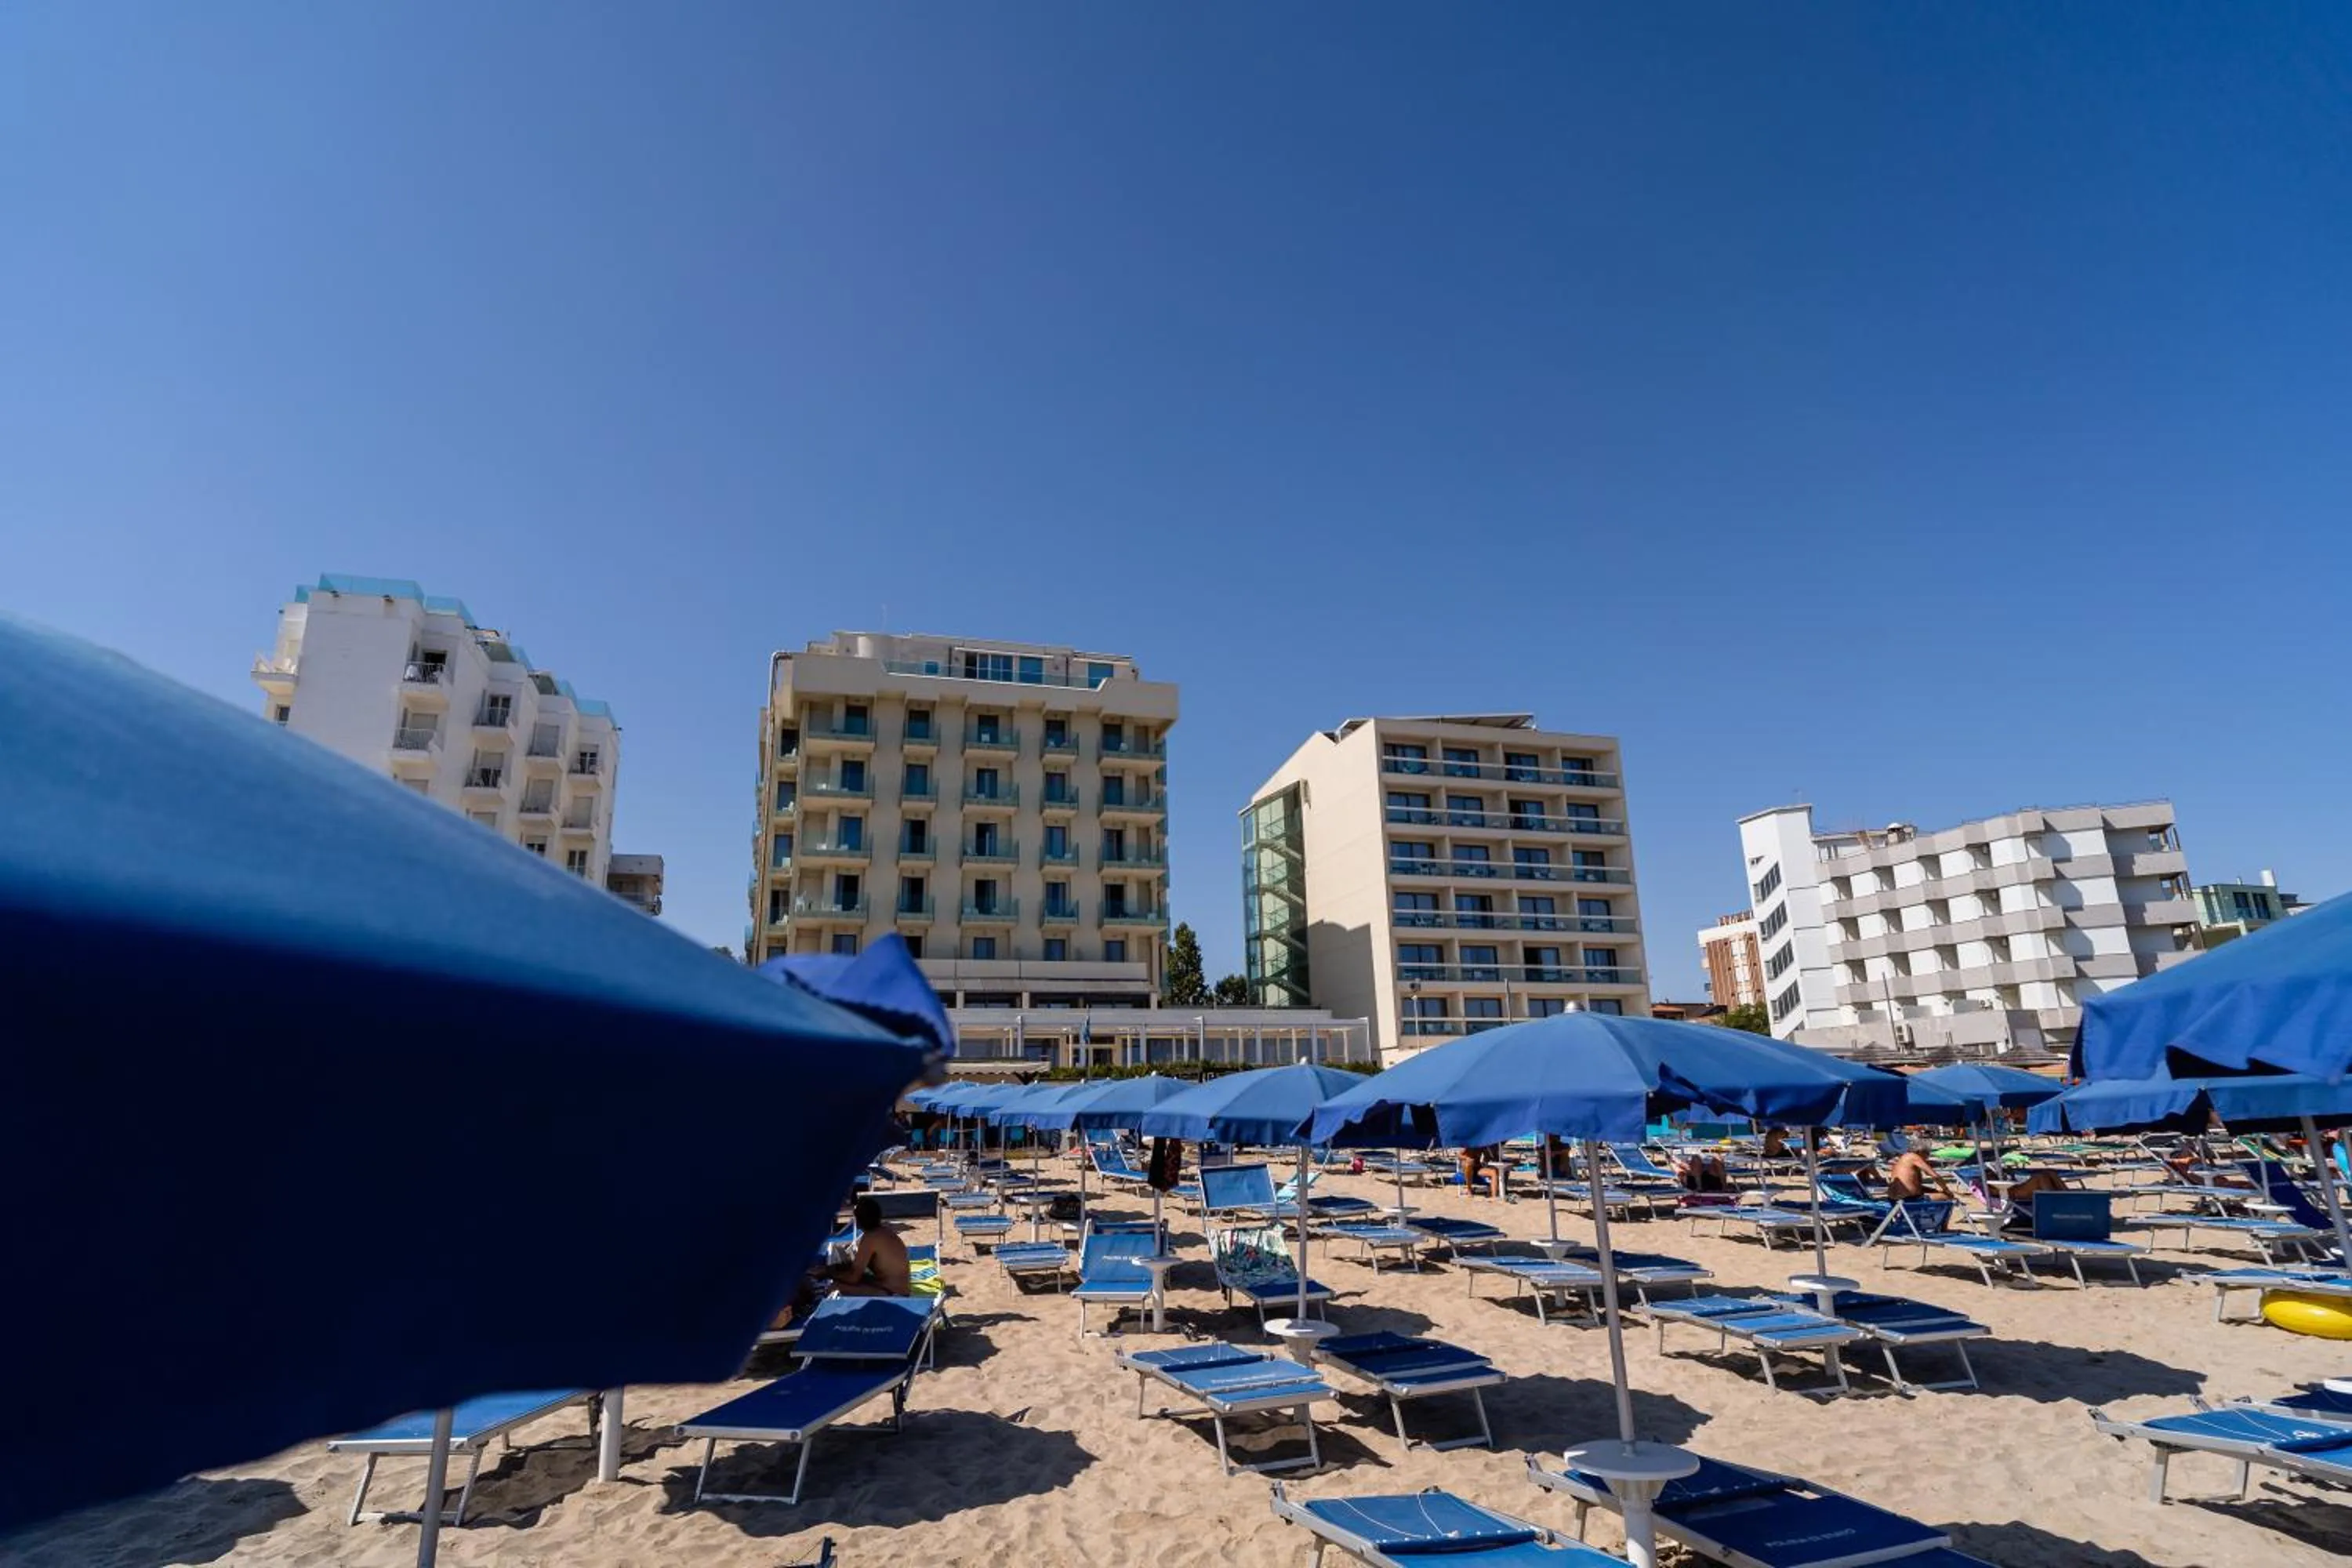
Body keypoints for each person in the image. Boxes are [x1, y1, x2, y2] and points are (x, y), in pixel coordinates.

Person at [829, 1196, 913, 1298]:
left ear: (859, 1222)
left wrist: (828, 1272)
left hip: (894, 1294)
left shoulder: (870, 1238)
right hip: (898, 1288)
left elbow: (853, 1278)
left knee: (834, 1287)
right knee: (855, 1276)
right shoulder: (885, 1231)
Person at [1882, 1147, 1951, 1203]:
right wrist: (1946, 1189)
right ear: (1920, 1152)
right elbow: (1935, 1176)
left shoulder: (1902, 1159)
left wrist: (1934, 1191)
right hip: (1908, 1200)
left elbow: (1911, 1185)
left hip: (1892, 1199)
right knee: (1946, 1197)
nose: (1926, 1159)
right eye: (1926, 1155)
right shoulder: (1914, 1157)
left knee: (1936, 1193)